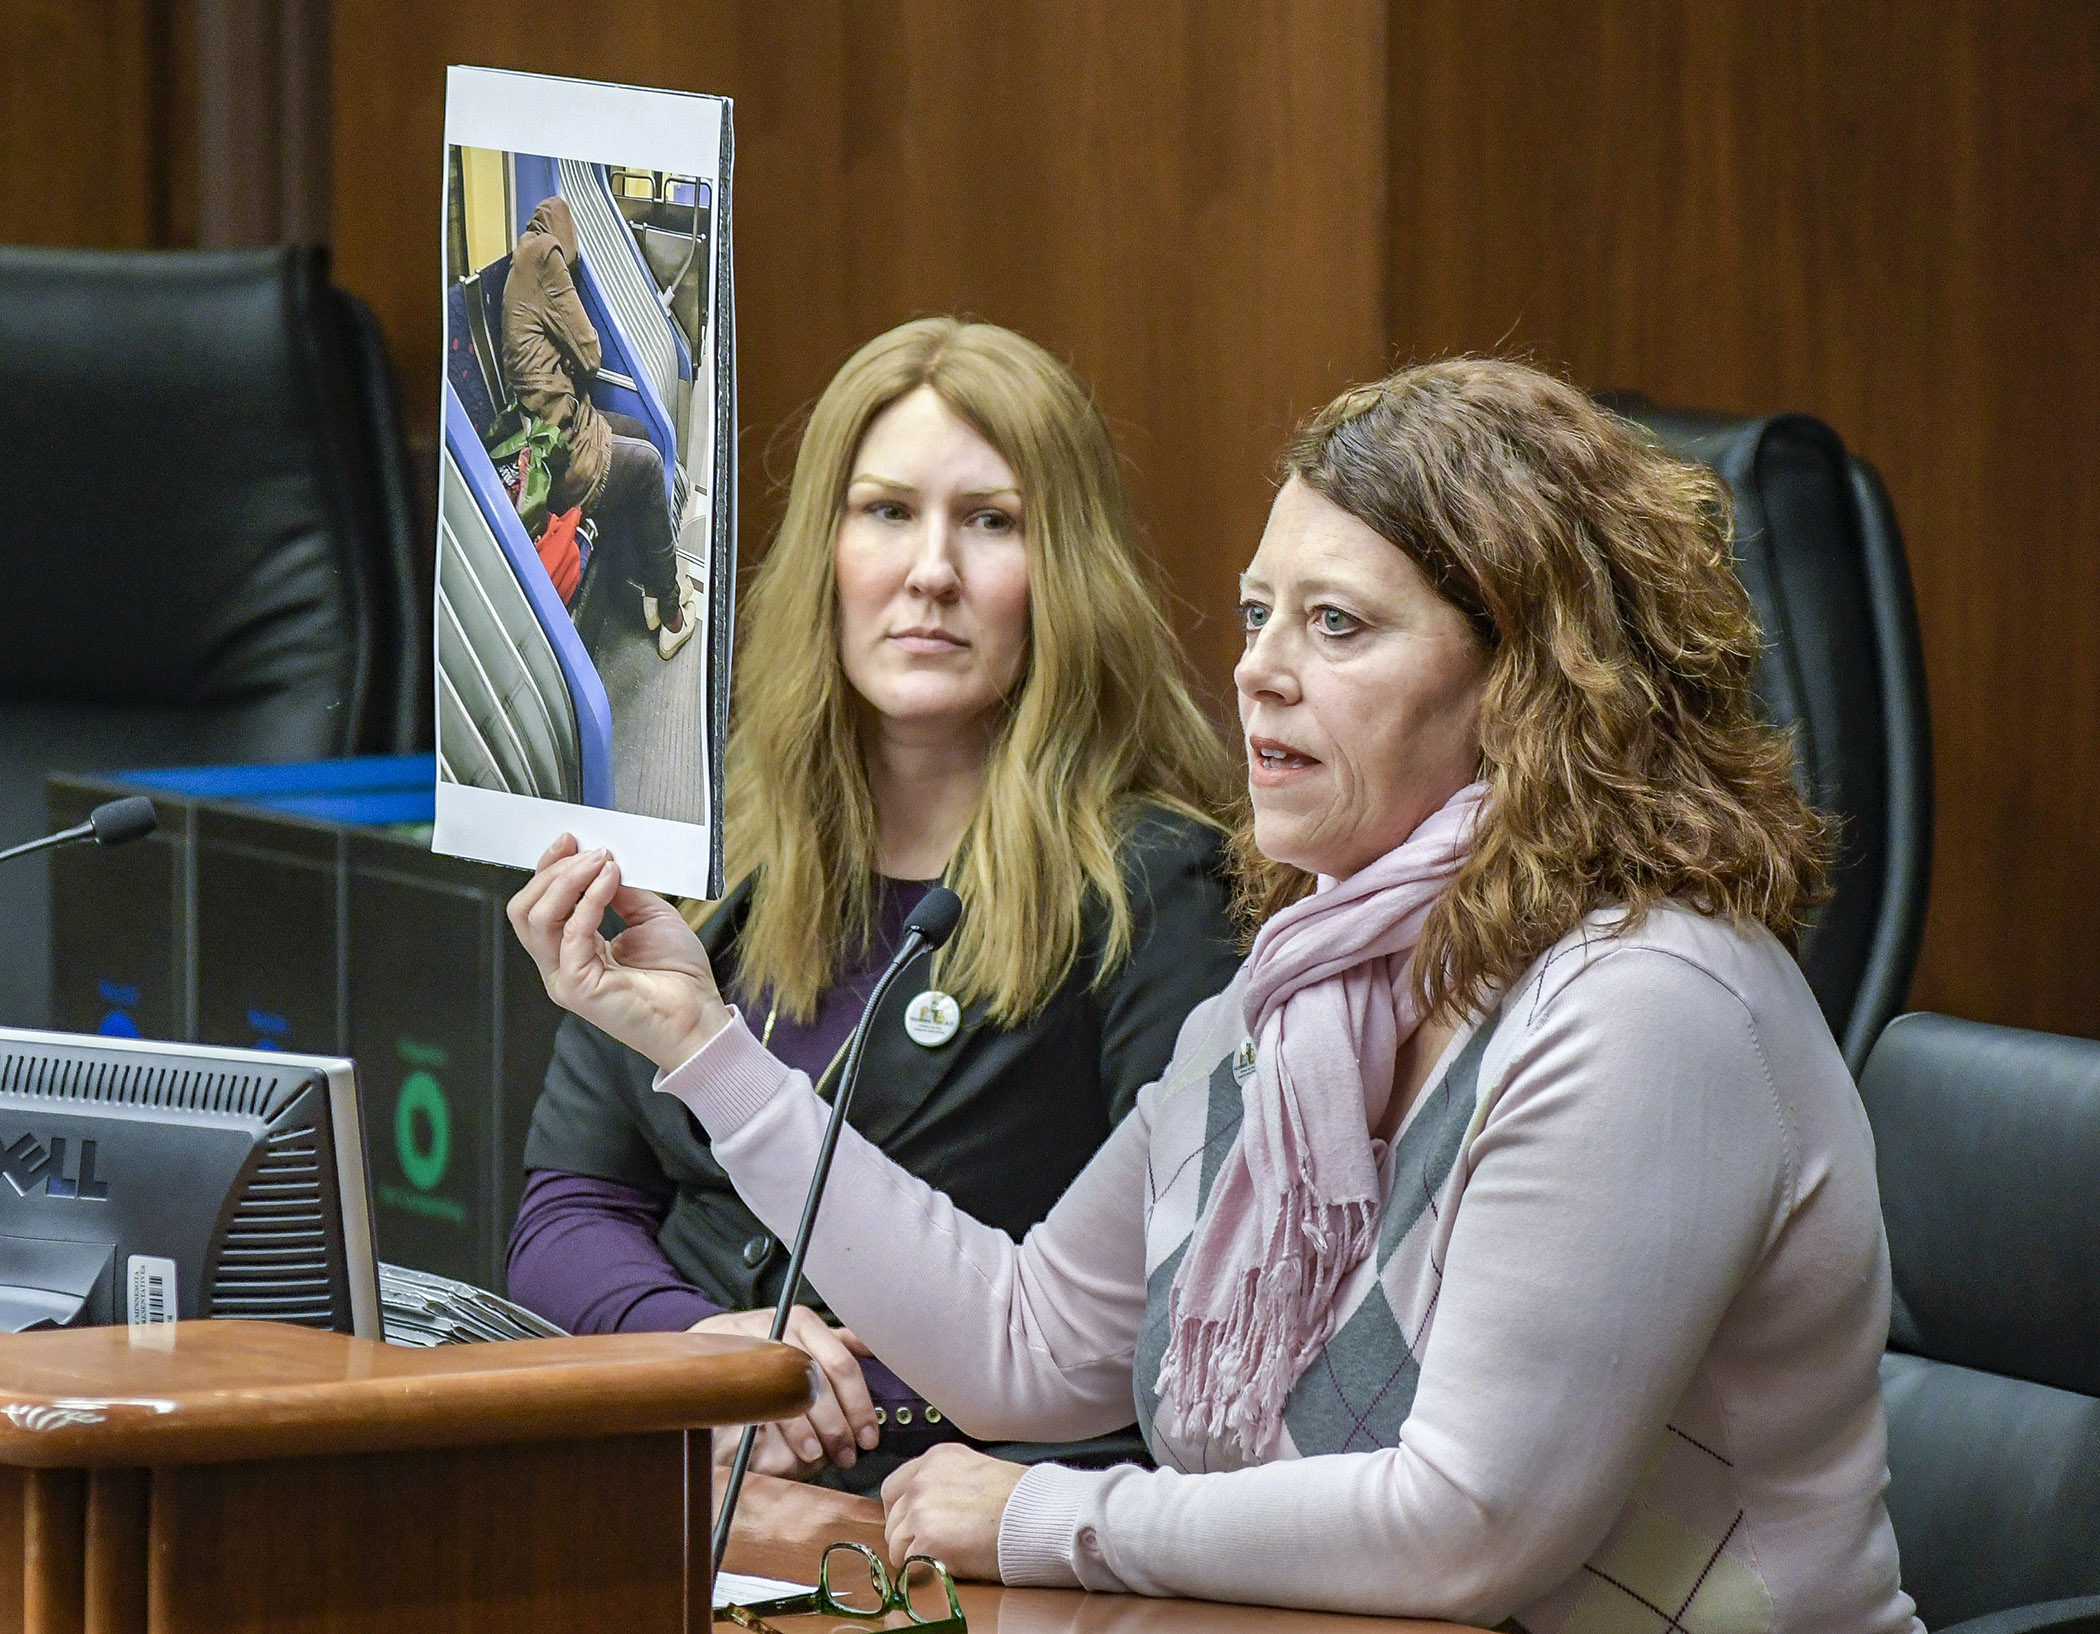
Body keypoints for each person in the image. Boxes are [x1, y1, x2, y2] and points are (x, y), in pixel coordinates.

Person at [509, 357, 1922, 1631]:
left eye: (1336, 625)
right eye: (1257, 614)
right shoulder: (1305, 988)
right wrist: (703, 1046)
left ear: (1527, 681)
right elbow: (1027, 1339)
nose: (1258, 670)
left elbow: (1468, 1526)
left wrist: (1044, 1518)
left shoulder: (1647, 1003)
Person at [506, 317, 1243, 1492]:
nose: (930, 570)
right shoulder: (712, 843)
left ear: (1067, 569)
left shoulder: (1155, 883)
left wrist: (816, 1393)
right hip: (686, 1482)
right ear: (827, 549)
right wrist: (699, 1344)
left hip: (946, 1521)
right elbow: (564, 1213)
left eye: (992, 521)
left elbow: (1173, 1322)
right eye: (888, 512)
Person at [502, 194, 697, 660]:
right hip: (560, 453)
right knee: (649, 466)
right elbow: (590, 353)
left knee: (642, 432)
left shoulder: (523, 262)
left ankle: (653, 587)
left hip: (557, 428)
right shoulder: (545, 257)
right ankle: (670, 615)